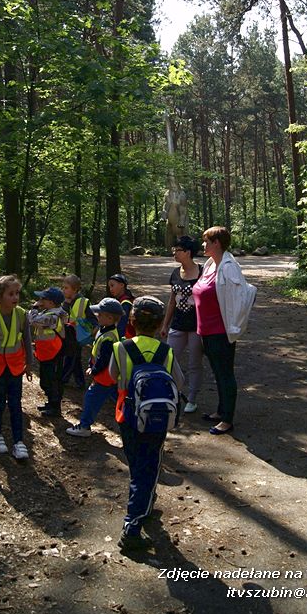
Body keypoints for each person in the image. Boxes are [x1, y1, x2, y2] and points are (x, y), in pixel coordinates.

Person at [108, 295, 184, 554]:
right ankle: (132, 526)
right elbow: (180, 382)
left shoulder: (121, 347)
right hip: (156, 419)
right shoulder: (167, 351)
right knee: (148, 468)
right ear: (160, 323)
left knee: (136, 464)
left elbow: (112, 376)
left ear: (132, 321)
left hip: (127, 416)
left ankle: (144, 503)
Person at [192, 226, 257, 436]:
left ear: (217, 243)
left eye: (206, 241)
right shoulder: (211, 265)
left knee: (225, 374)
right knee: (218, 373)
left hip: (221, 332)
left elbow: (239, 299)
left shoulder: (229, 267)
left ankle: (227, 420)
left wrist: (235, 326)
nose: (203, 245)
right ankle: (221, 411)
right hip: (206, 331)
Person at [0, 275, 34, 460]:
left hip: (16, 366)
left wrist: (29, 365)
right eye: (11, 294)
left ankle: (18, 441)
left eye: (17, 293)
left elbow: (27, 340)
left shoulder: (22, 315)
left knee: (16, 404)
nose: (15, 297)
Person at [66, 297, 124, 438]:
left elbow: (104, 359)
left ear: (109, 318)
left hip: (104, 377)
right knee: (117, 397)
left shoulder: (109, 337)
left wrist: (94, 370)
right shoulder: (105, 330)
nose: (97, 316)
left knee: (91, 398)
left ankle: (84, 426)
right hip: (108, 377)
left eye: (100, 314)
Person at [160, 236, 204, 414]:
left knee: (195, 363)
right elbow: (172, 301)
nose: (174, 253)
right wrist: (165, 324)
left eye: (178, 250)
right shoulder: (175, 273)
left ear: (188, 252)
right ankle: (170, 392)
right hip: (177, 324)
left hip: (196, 326)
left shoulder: (202, 272)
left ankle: (192, 398)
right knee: (169, 359)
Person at [29, 287, 68, 417]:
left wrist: (34, 307)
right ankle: (51, 403)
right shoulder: (50, 312)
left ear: (51, 303)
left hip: (53, 353)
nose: (40, 300)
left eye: (43, 299)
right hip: (47, 353)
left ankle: (55, 407)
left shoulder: (53, 316)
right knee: (46, 379)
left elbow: (33, 320)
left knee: (51, 381)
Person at [61, 274, 96, 387]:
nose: (63, 290)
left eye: (66, 288)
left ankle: (63, 379)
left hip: (77, 336)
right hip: (68, 335)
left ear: (75, 289)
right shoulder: (66, 301)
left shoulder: (83, 302)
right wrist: (66, 303)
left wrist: (92, 332)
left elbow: (92, 319)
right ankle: (80, 381)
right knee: (75, 359)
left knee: (71, 358)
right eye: (63, 287)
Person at [107, 274, 135, 338]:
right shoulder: (120, 300)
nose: (110, 289)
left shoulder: (125, 303)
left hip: (126, 339)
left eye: (112, 285)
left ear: (122, 285)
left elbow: (121, 326)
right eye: (109, 287)